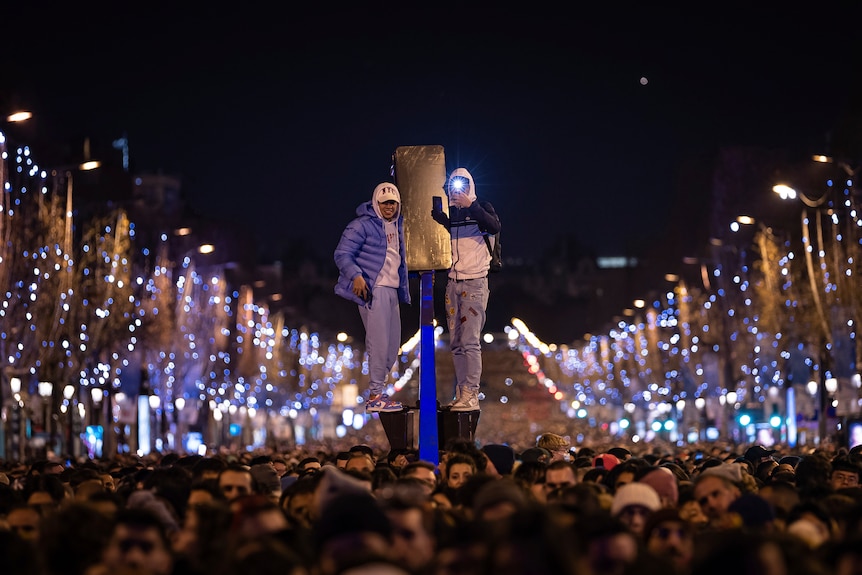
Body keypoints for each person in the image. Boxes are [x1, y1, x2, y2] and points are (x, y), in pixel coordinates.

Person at [335, 182, 411, 413]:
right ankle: (375, 394)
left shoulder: (399, 226)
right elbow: (342, 254)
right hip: (374, 289)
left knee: (391, 347)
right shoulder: (361, 226)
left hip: (393, 290)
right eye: (384, 202)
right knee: (378, 344)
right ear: (376, 203)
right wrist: (357, 276)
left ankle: (380, 391)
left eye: (392, 203)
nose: (389, 207)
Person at [432, 167, 501, 411]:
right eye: (453, 186)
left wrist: (471, 204)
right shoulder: (452, 216)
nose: (456, 190)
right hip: (453, 283)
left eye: (461, 185)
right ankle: (462, 393)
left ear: (471, 186)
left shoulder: (482, 209)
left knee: (471, 341)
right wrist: (439, 217)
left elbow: (493, 226)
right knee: (456, 343)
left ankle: (472, 393)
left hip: (475, 283)